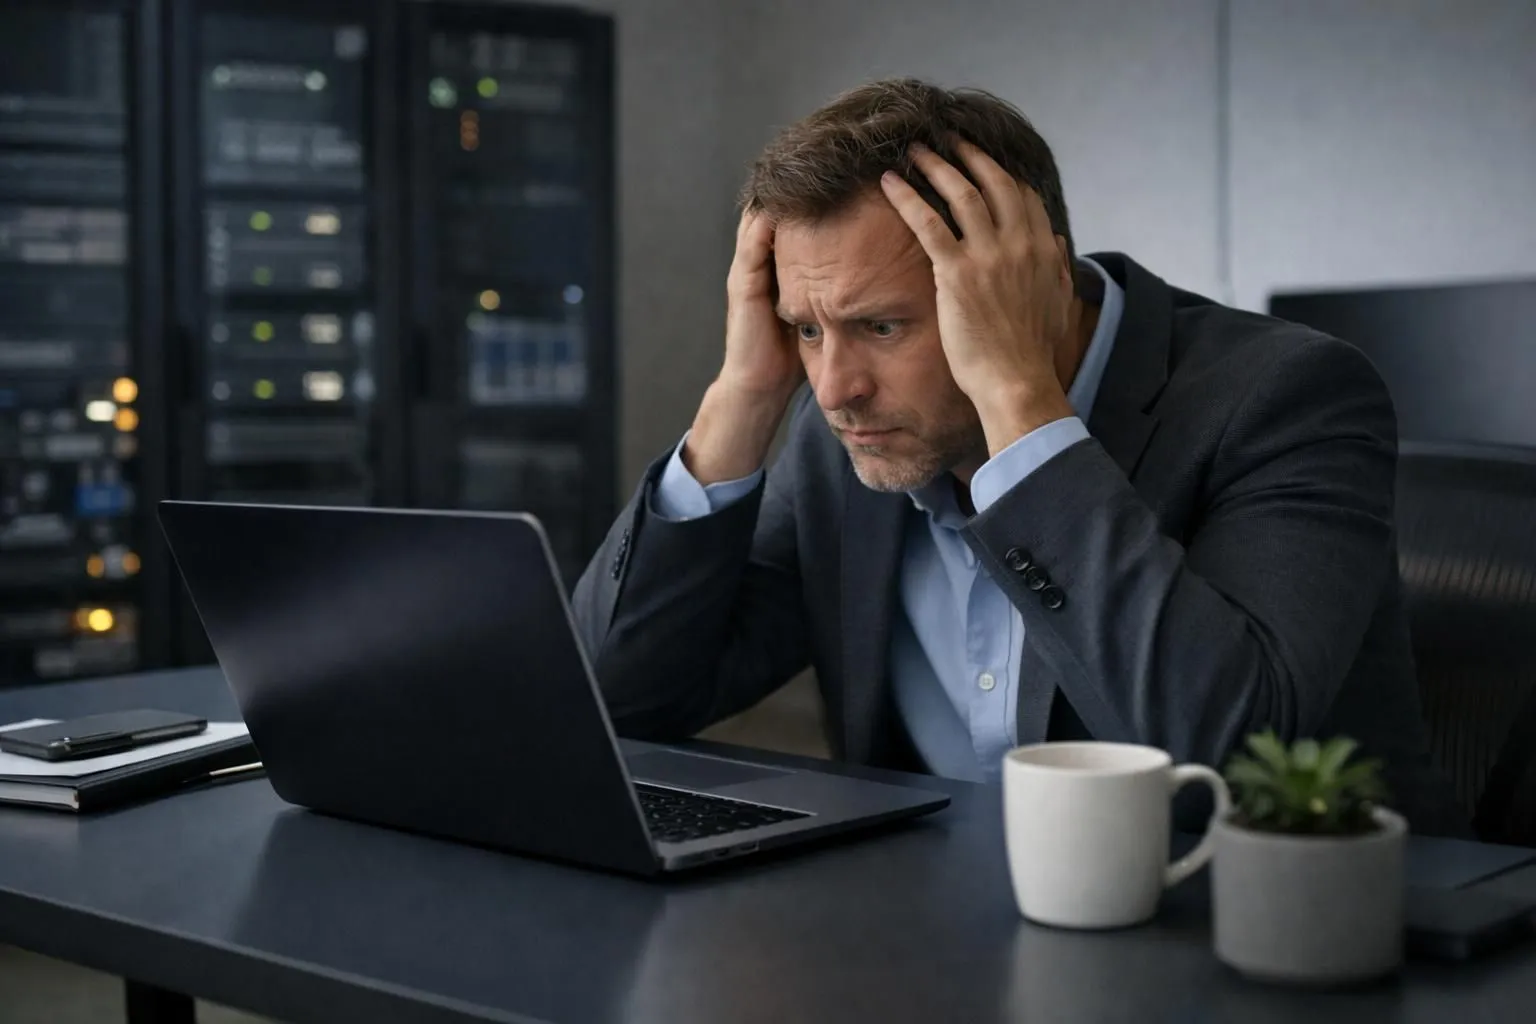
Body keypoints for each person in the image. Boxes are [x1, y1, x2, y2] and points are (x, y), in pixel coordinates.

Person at [571, 78, 1464, 834]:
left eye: (881, 326)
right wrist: (744, 395)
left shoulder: (1287, 396)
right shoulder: (835, 432)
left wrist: (1020, 407)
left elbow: (1224, 753)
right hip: (934, 943)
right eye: (806, 329)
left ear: (1029, 285)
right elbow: (619, 703)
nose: (835, 386)